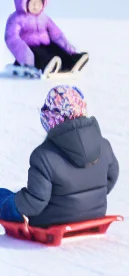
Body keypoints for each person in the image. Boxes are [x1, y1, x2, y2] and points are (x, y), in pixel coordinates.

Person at [0, 86, 117, 228]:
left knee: (4, 197)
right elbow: (110, 179)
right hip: (95, 214)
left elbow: (35, 201)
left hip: (52, 221)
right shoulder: (104, 146)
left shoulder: (44, 156)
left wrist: (13, 205)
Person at [4, 0, 88, 77]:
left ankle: (71, 61)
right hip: (30, 48)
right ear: (23, 3)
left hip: (45, 44)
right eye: (33, 4)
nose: (36, 6)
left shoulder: (43, 17)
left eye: (39, 3)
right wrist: (26, 55)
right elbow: (12, 38)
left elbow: (56, 34)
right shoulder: (16, 19)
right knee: (40, 55)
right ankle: (47, 65)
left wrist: (69, 49)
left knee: (56, 48)